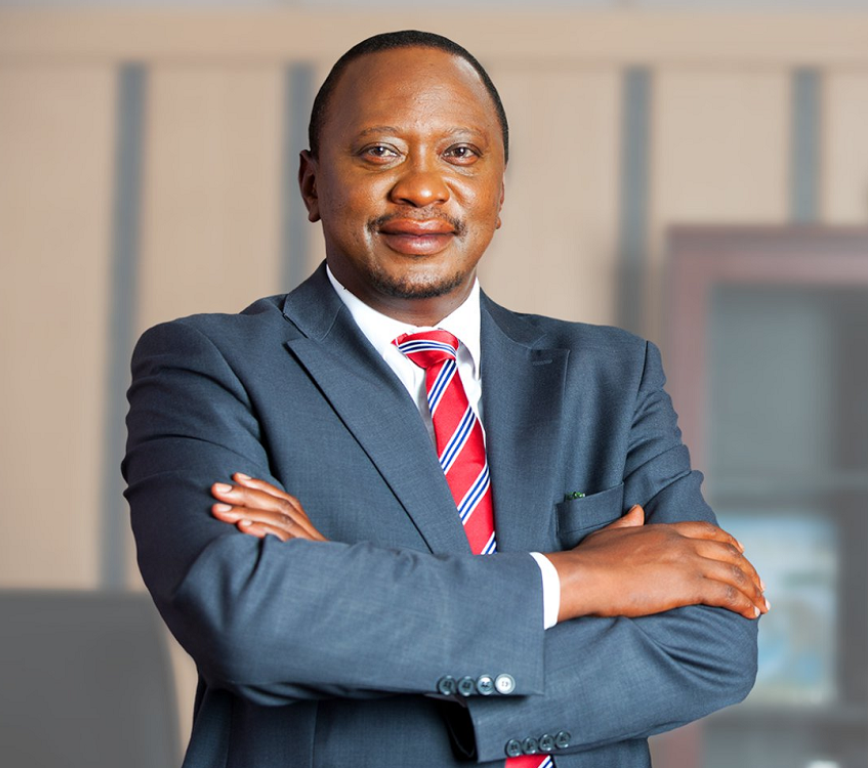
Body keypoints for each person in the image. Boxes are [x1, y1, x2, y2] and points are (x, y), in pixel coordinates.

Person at [123, 30, 766, 768]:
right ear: (312, 184)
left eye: (460, 152)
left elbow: (715, 645)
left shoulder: (613, 375)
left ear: (499, 190)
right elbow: (245, 616)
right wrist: (582, 578)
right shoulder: (211, 363)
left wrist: (345, 593)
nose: (423, 188)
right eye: (379, 152)